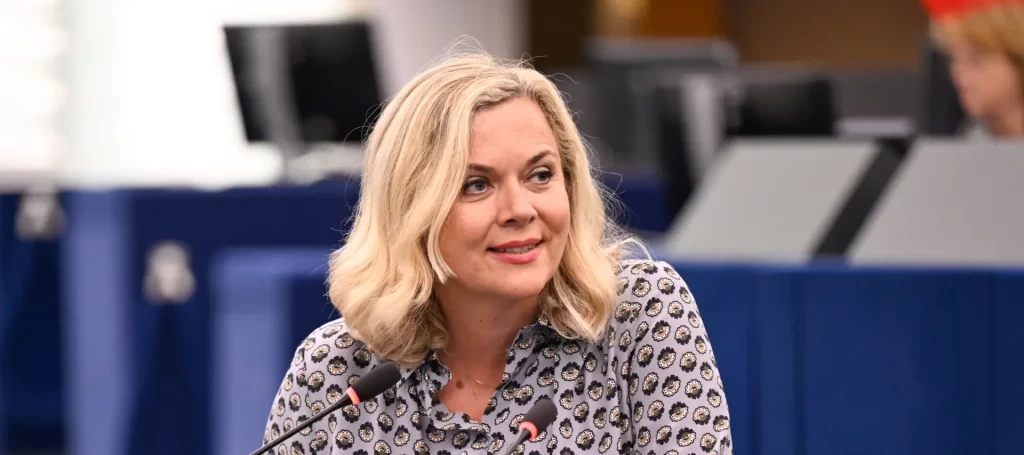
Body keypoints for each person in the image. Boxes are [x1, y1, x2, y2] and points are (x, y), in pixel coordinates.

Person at [262, 50, 733, 455]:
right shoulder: (335, 372)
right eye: (477, 184)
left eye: (541, 175)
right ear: (411, 209)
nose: (519, 210)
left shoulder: (640, 312)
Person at [924, 0, 1024, 139]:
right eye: (954, 60)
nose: (958, 74)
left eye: (976, 60)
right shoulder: (966, 139)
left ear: (1018, 60)